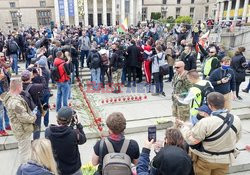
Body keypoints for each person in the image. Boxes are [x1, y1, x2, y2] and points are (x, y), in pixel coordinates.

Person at [177, 92, 242, 175]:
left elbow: (192, 140)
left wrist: (184, 128)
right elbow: (237, 138)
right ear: (223, 103)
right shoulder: (236, 119)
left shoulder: (206, 122)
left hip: (206, 160)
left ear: (210, 105)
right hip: (225, 159)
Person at [2, 78, 36, 163]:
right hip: (22, 130)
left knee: (23, 148)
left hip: (18, 127)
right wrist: (33, 117)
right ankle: (25, 169)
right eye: (21, 86)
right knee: (25, 152)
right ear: (18, 87)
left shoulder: (10, 96)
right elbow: (24, 117)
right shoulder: (15, 103)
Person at [45, 106, 86, 175]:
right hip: (74, 170)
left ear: (57, 118)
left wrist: (71, 126)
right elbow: (83, 140)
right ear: (70, 120)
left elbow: (63, 131)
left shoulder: (48, 132)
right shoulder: (74, 133)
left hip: (58, 170)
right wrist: (78, 124)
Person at [21, 70, 45, 140]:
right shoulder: (34, 87)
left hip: (24, 110)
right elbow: (44, 85)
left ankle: (27, 141)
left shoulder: (19, 86)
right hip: (34, 109)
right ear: (30, 77)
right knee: (37, 127)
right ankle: (36, 141)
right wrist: (40, 75)